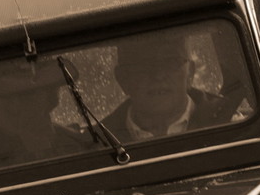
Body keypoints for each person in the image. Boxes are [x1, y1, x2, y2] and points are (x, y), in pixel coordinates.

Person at [104, 34, 251, 141]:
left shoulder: (234, 126)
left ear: (190, 73)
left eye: (171, 62)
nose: (158, 75)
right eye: (142, 65)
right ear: (123, 79)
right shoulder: (99, 144)